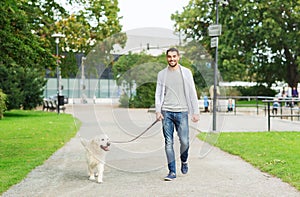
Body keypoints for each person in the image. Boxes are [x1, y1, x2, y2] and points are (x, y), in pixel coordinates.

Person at [155, 48, 200, 181]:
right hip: (166, 112)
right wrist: (158, 110)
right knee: (168, 142)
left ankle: (184, 160)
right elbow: (158, 93)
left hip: (182, 112)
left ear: (179, 57)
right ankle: (172, 172)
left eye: (174, 56)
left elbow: (192, 92)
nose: (172, 59)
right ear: (166, 58)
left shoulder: (186, 73)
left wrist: (195, 112)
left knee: (185, 141)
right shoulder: (162, 74)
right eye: (169, 57)